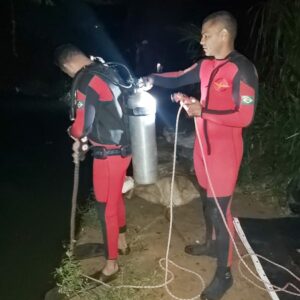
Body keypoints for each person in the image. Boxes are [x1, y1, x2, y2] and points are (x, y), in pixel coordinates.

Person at [144, 11, 258, 300]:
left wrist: (202, 110)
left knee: (222, 214)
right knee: (209, 205)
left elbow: (244, 116)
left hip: (224, 154)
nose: (201, 40)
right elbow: (177, 77)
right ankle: (210, 244)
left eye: (206, 35)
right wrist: (150, 78)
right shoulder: (206, 66)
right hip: (202, 150)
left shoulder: (243, 69)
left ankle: (225, 273)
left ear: (224, 34)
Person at [54, 44, 132, 283]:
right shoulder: (105, 69)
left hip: (109, 154)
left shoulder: (85, 79)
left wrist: (73, 134)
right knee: (115, 198)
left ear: (67, 66)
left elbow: (81, 126)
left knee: (105, 208)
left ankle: (111, 266)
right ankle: (122, 243)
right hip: (124, 148)